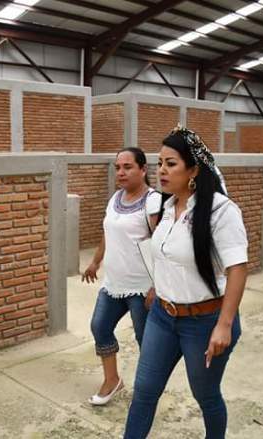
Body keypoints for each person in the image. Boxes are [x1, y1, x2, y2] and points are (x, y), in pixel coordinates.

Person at [123, 126, 248, 439]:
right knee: (144, 391)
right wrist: (158, 286)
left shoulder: (221, 211)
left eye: (171, 163)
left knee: (205, 395)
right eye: (159, 163)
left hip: (204, 323)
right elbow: (167, 255)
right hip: (162, 317)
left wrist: (224, 325)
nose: (161, 171)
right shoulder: (167, 207)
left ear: (193, 170)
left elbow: (237, 268)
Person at [82, 147, 162, 406]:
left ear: (143, 169)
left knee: (145, 341)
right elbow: (109, 233)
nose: (121, 172)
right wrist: (95, 261)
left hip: (142, 288)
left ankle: (147, 392)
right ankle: (112, 380)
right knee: (100, 326)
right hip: (114, 284)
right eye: (118, 167)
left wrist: (157, 286)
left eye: (127, 167)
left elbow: (162, 245)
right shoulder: (116, 198)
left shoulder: (153, 202)